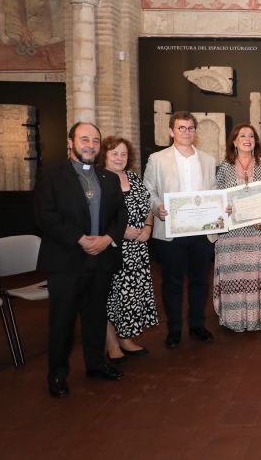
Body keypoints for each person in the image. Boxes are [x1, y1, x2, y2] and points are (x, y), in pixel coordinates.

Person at [34, 122, 127, 398]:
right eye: (84, 139)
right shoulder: (50, 175)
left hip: (101, 259)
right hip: (67, 260)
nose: (90, 145)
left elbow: (120, 216)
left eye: (95, 141)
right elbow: (45, 216)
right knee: (62, 321)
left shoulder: (108, 178)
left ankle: (96, 365)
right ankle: (58, 375)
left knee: (96, 317)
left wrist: (107, 239)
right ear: (70, 142)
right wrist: (80, 238)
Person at [143, 111, 217, 349]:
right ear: (171, 131)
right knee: (172, 283)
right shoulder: (157, 159)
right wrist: (157, 208)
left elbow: (214, 191)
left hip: (202, 231)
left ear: (195, 131)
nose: (186, 132)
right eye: (181, 128)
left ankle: (197, 325)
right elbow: (148, 191)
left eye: (190, 128)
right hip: (170, 231)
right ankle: (174, 329)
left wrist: (219, 207)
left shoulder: (207, 159)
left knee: (199, 281)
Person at [99, 136, 158, 363]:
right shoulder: (99, 180)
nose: (119, 158)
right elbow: (93, 216)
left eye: (123, 154)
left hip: (137, 251)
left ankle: (125, 338)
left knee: (130, 296)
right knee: (110, 298)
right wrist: (120, 232)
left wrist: (148, 226)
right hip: (112, 248)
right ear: (104, 155)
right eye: (114, 153)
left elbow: (148, 204)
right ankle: (112, 344)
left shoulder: (133, 177)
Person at [213, 124, 261, 332]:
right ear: (234, 141)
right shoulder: (224, 167)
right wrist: (226, 209)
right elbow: (218, 198)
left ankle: (258, 317)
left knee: (258, 273)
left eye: (251, 135)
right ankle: (234, 318)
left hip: (259, 230)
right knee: (234, 274)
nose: (247, 139)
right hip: (232, 233)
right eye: (242, 135)